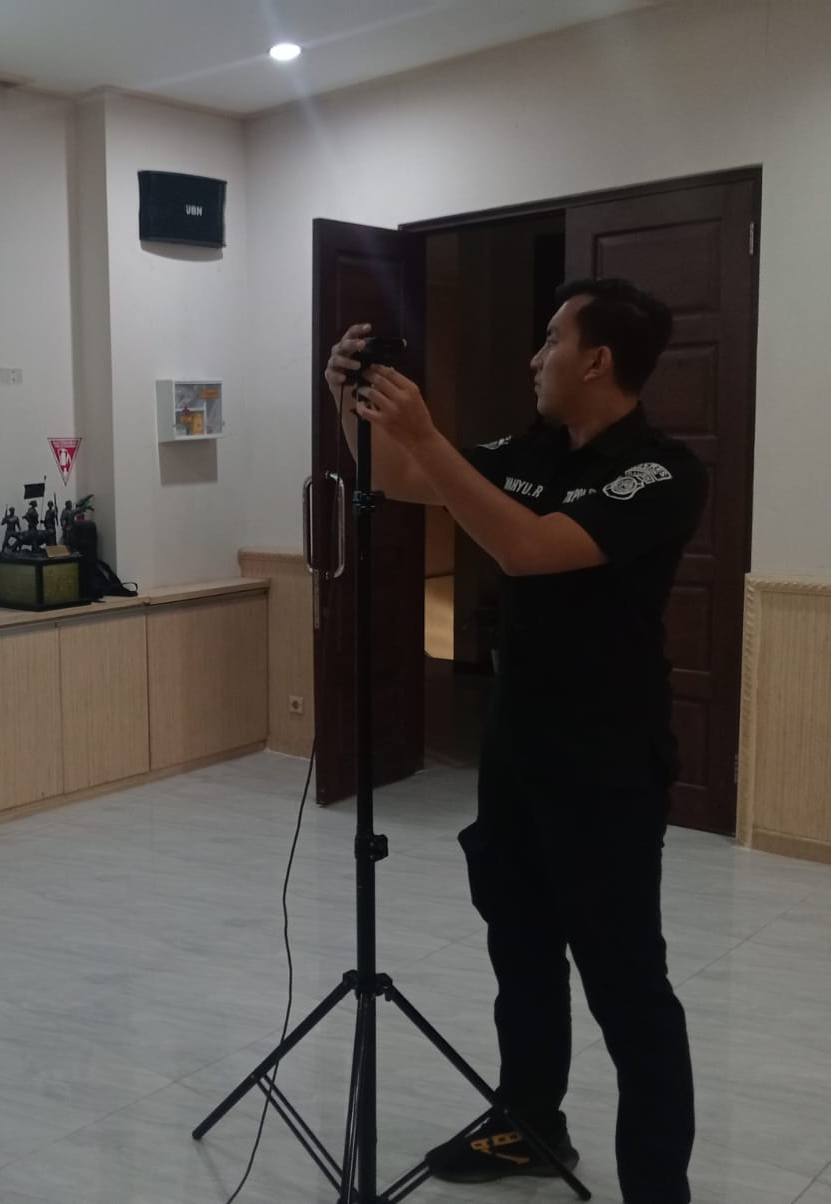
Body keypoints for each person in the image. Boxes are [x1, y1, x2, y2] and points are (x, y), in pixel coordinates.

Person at [325, 277, 705, 1204]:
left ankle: (659, 1188)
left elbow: (528, 549)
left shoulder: (659, 473)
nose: (535, 359)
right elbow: (397, 477)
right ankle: (531, 1125)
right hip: (519, 749)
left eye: (551, 341)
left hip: (607, 767)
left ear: (598, 361)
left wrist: (427, 436)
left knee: (627, 988)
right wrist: (350, 403)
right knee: (522, 952)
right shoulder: (528, 450)